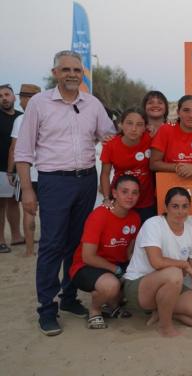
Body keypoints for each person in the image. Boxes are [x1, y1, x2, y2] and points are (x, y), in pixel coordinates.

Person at [15, 50, 117, 335]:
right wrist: (27, 190)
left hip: (86, 180)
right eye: (66, 69)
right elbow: (23, 152)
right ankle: (47, 309)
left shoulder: (92, 104)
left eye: (77, 70)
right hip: (53, 182)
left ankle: (69, 299)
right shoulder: (39, 104)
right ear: (55, 72)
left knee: (76, 244)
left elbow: (107, 136)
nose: (72, 74)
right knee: (51, 245)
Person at [123, 187, 192, 337]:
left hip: (170, 288)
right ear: (166, 207)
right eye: (175, 206)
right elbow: (156, 262)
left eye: (184, 206)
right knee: (175, 273)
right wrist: (183, 264)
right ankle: (165, 327)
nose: (180, 211)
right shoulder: (153, 224)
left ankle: (162, 312)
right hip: (138, 287)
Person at [69, 175, 141, 329]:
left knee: (134, 286)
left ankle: (112, 303)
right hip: (85, 267)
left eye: (135, 193)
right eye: (125, 191)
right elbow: (88, 257)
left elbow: (129, 252)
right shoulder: (99, 215)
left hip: (114, 266)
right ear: (114, 193)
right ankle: (95, 310)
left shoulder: (135, 218)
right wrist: (116, 270)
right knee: (111, 285)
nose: (130, 196)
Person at [100, 109, 156, 223]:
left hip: (146, 202)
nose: (134, 129)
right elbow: (105, 174)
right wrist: (106, 198)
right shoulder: (111, 145)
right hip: (120, 201)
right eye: (129, 123)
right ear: (121, 124)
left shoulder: (150, 139)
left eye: (139, 125)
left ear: (145, 127)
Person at [7, 83, 41, 257]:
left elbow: (14, 148)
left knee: (29, 212)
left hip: (27, 173)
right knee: (48, 213)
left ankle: (29, 250)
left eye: (22, 97)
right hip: (47, 172)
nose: (20, 101)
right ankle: (46, 248)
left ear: (29, 99)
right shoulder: (48, 115)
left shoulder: (20, 120)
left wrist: (10, 171)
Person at [0, 84, 24, 253]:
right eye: (0, 96)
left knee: (14, 202)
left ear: (14, 97)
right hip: (0, 168)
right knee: (0, 205)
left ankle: (16, 236)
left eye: (7, 94)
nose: (4, 98)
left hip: (17, 167)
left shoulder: (21, 117)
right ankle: (1, 240)